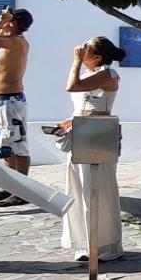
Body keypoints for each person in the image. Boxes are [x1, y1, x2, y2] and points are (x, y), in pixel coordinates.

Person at [54, 37, 125, 264]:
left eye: (88, 48)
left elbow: (71, 86)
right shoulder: (89, 76)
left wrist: (75, 62)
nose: (82, 49)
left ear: (98, 56)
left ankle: (105, 243)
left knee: (100, 188)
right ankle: (84, 242)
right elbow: (83, 104)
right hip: (82, 133)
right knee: (80, 188)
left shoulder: (108, 74)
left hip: (99, 135)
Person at [0, 7, 34, 205]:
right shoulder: (9, 43)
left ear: (13, 24)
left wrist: (1, 21)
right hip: (0, 102)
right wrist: (4, 21)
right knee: (7, 147)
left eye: (6, 21)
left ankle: (22, 191)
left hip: (10, 102)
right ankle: (9, 187)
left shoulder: (16, 42)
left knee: (18, 146)